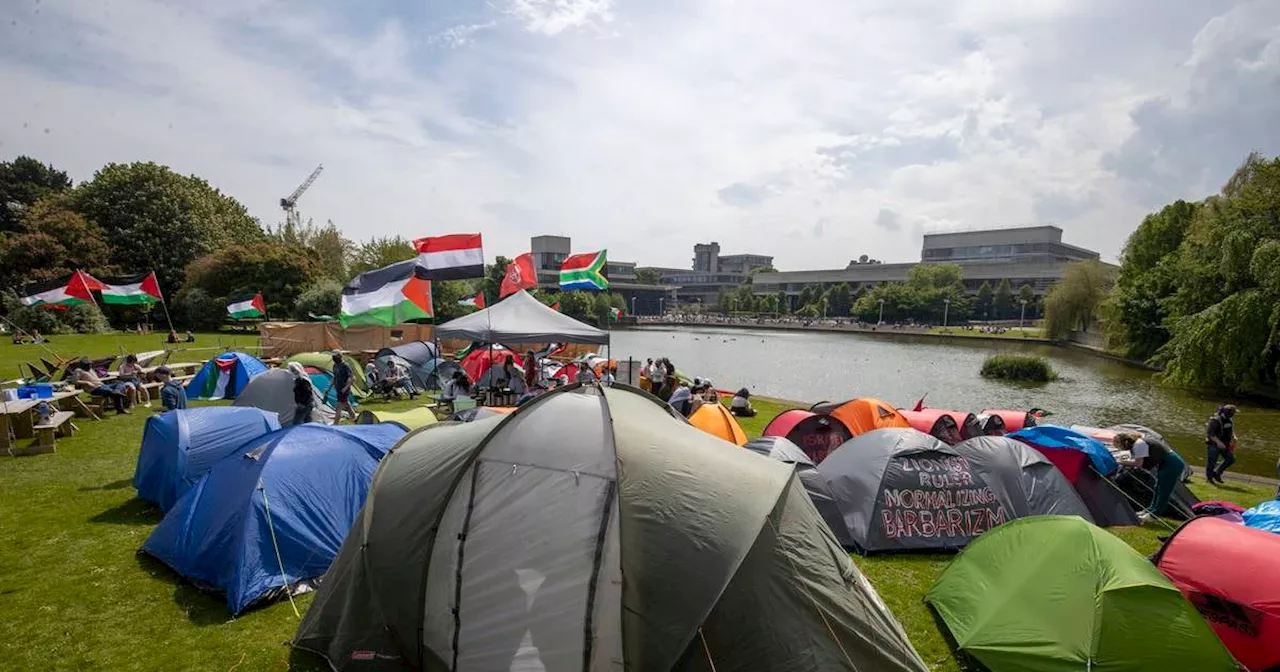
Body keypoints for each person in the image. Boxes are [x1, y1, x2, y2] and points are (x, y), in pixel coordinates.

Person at [1115, 431, 1186, 523]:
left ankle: (1154, 515)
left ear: (1125, 442)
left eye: (1118, 444)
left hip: (1171, 464)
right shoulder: (1139, 442)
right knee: (1157, 487)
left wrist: (1121, 462)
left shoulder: (1139, 445)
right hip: (1167, 463)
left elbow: (1138, 463)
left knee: (1164, 491)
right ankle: (1150, 510)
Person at [1205, 404, 1238, 484]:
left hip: (1225, 445)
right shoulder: (1215, 420)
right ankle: (1209, 479)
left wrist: (1234, 436)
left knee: (1231, 459)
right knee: (1212, 462)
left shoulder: (1229, 420)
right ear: (1228, 412)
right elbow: (1210, 433)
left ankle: (1217, 473)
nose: (1234, 414)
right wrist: (1218, 442)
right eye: (1233, 412)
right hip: (1214, 445)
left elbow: (1230, 430)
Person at [328, 351, 356, 424]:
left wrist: (346, 388)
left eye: (335, 357)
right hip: (338, 388)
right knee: (347, 404)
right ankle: (354, 418)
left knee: (338, 407)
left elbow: (351, 378)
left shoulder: (345, 366)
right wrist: (329, 388)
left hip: (344, 390)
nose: (333, 358)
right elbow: (335, 377)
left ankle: (335, 424)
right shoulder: (335, 366)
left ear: (339, 357)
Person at [287, 362, 316, 426]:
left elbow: (307, 393)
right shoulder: (303, 377)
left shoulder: (301, 380)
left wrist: (301, 403)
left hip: (305, 404)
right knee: (308, 421)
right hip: (309, 403)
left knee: (296, 423)